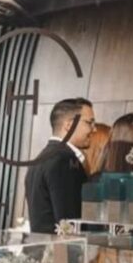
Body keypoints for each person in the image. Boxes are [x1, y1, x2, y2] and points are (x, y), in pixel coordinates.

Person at [24, 97, 96, 233]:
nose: (94, 129)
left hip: (45, 250)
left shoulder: (42, 158)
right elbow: (68, 224)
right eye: (89, 123)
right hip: (59, 252)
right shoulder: (63, 160)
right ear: (69, 125)